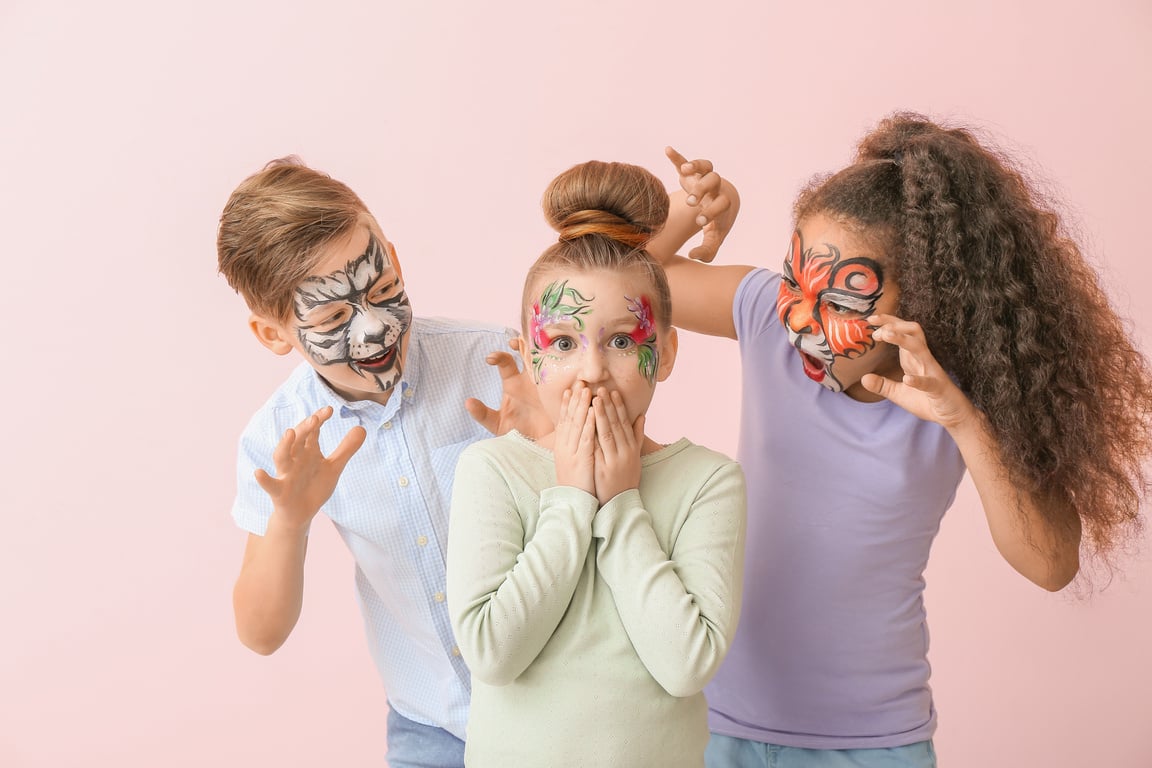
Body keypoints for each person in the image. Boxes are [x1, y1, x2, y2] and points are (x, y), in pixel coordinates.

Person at [650, 114, 1152, 767]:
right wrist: (694, 217)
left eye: (841, 298)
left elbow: (1051, 564)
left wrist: (964, 421)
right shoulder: (763, 315)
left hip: (873, 743)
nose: (803, 320)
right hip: (714, 721)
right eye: (795, 281)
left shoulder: (959, 395)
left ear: (926, 300)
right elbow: (618, 282)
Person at [216, 157, 549, 768]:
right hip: (432, 731)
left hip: (562, 710)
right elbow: (260, 633)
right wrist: (289, 520)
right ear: (273, 334)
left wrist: (545, 451)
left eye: (382, 289)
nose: (375, 328)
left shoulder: (499, 362)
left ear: (392, 255)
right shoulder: (279, 441)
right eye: (334, 317)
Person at [445, 159, 748, 767]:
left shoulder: (708, 483)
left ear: (664, 353)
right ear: (531, 360)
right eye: (561, 343)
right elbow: (491, 652)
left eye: (619, 340)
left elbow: (687, 665)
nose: (590, 370)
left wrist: (622, 504)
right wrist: (574, 501)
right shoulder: (491, 472)